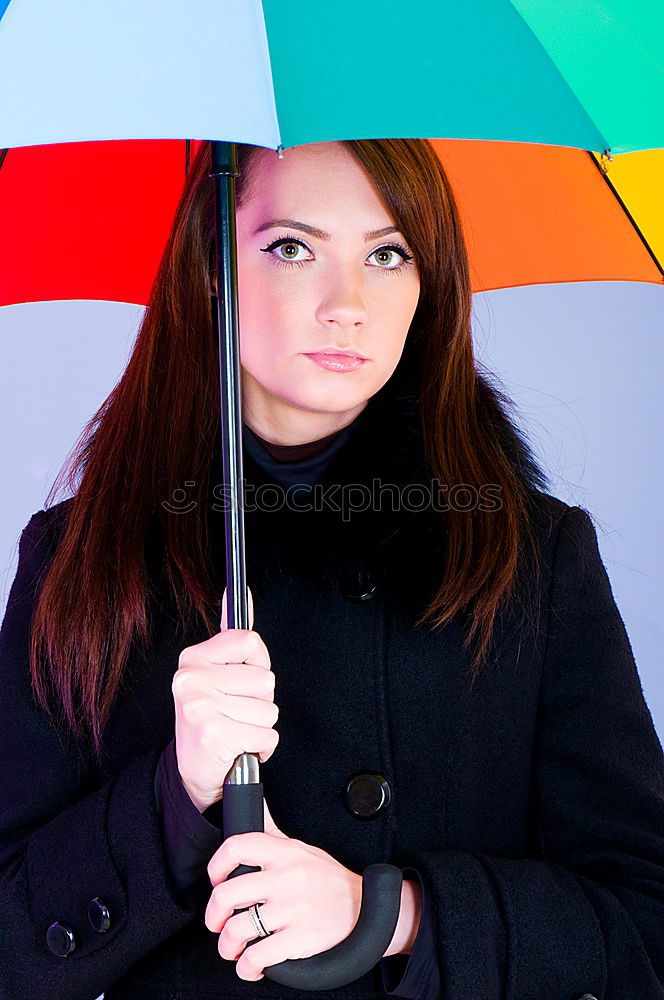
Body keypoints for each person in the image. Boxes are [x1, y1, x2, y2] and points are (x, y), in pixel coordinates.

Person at [0, 137, 663, 1000]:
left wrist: (390, 915)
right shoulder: (80, 561)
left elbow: (644, 920)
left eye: (387, 254)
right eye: (291, 247)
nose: (347, 303)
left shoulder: (530, 556)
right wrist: (174, 794)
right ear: (212, 268)